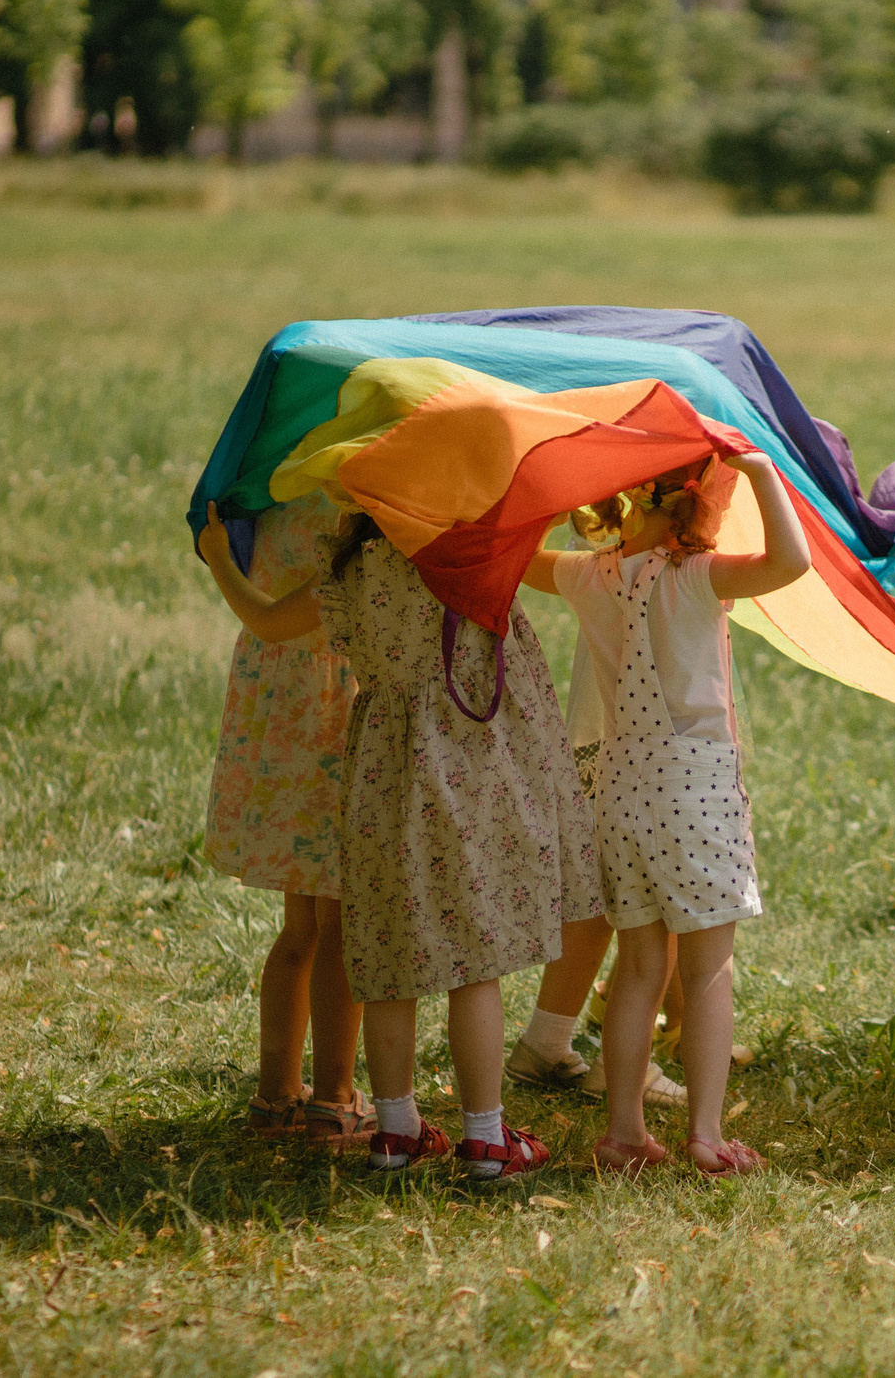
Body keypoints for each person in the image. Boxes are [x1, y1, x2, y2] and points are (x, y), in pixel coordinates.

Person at [197, 500, 603, 1178]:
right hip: (466, 773)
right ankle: (485, 1138)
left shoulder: (353, 565)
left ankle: (396, 1132)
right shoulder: (477, 551)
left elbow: (267, 621)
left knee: (388, 952)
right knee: (472, 960)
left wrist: (218, 558)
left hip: (380, 778)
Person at [524, 448, 812, 1175]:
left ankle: (624, 1131)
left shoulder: (591, 575)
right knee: (709, 967)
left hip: (620, 789)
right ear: (697, 501)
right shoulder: (700, 578)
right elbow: (794, 562)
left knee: (639, 962)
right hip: (695, 790)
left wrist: (558, 482)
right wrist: (766, 475)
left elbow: (518, 559)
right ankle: (706, 1132)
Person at [200, 493, 371, 1149]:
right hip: (333, 718)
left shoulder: (274, 481)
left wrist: (218, 555)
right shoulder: (356, 493)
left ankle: (277, 1096)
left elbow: (264, 619)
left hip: (283, 712)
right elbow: (276, 618)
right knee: (339, 927)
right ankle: (333, 1098)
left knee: (300, 927)